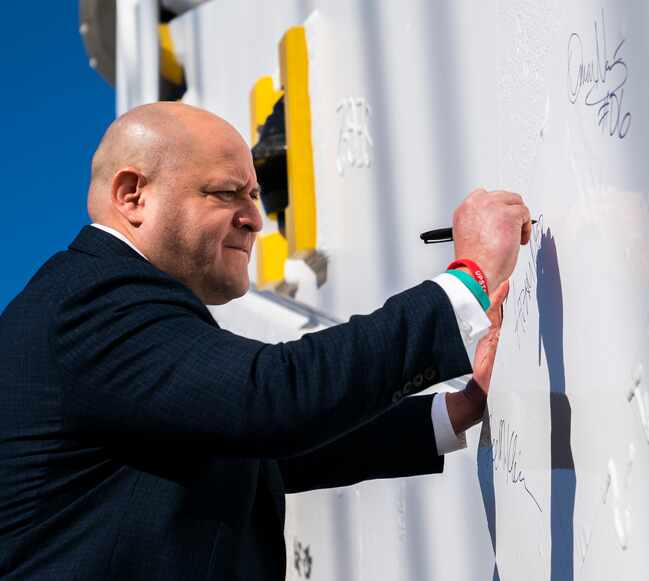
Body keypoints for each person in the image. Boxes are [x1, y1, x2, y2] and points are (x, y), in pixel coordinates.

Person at [0, 102, 530, 580]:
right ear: (133, 195)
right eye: (227, 193)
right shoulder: (92, 300)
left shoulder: (100, 311)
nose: (255, 219)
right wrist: (468, 279)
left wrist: (454, 411)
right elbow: (271, 399)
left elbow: (251, 452)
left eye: (254, 194)